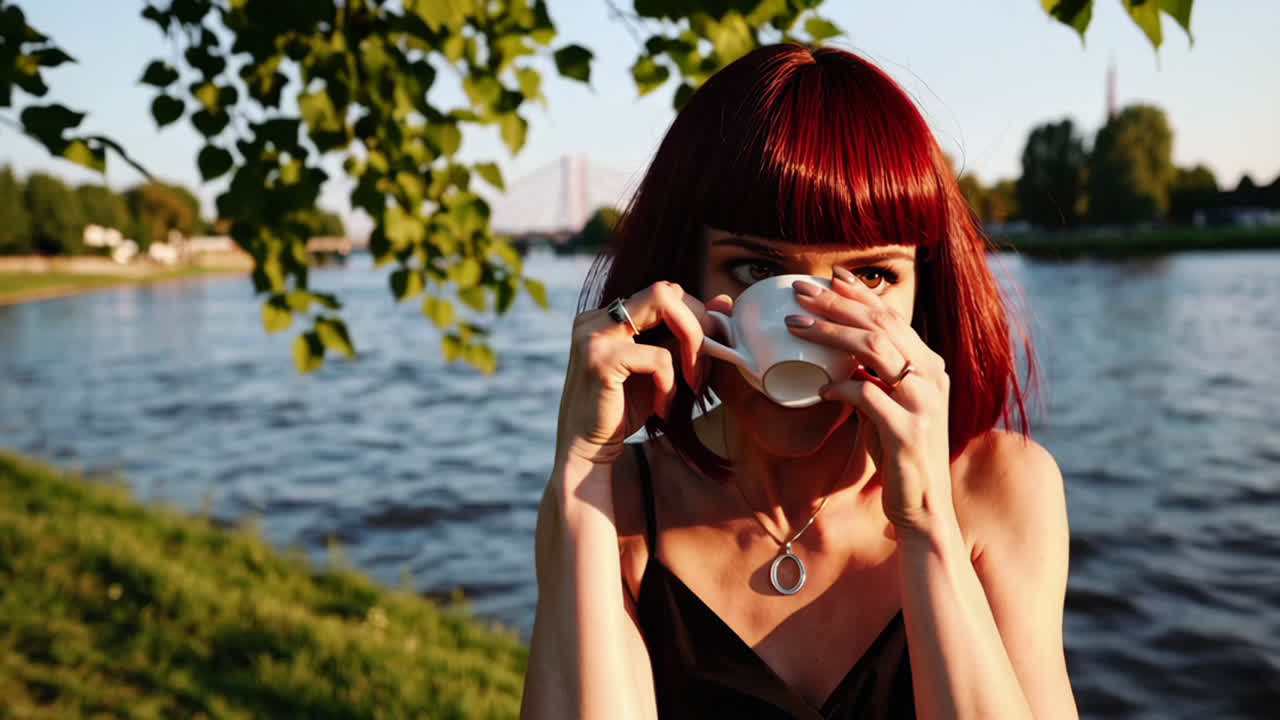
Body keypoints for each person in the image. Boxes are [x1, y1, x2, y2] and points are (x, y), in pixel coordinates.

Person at [521, 43, 1077, 720]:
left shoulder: (998, 489)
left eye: (871, 276)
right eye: (757, 270)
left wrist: (928, 522)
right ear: (685, 277)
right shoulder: (620, 504)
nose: (811, 325)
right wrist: (581, 477)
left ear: (921, 297)